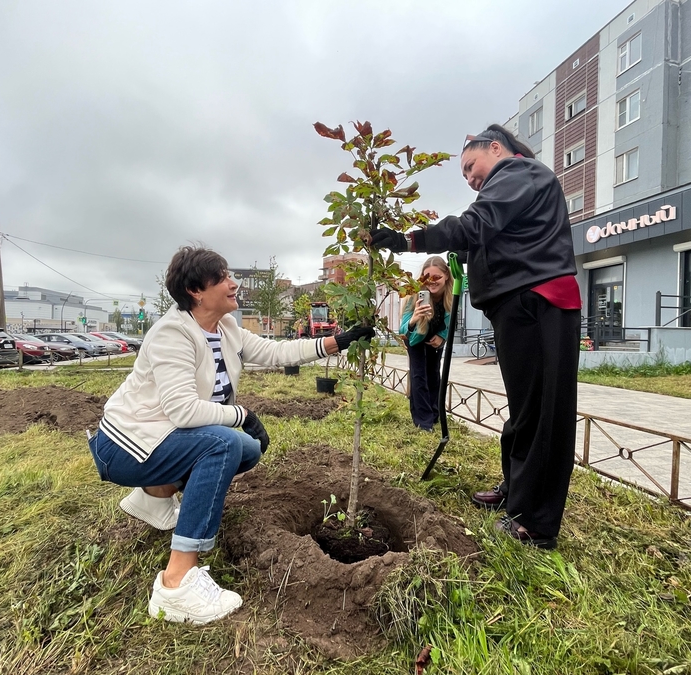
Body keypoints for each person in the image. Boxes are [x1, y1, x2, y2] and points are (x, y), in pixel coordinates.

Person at [87, 245, 373, 624]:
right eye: (222, 277)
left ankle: (155, 498)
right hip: (123, 446)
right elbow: (183, 410)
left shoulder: (225, 328)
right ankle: (176, 584)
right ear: (196, 291)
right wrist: (242, 413)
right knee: (223, 443)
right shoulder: (172, 334)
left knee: (246, 449)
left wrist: (339, 340)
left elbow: (276, 353)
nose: (233, 283)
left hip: (157, 441)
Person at [369, 124, 581, 550]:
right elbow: (492, 235)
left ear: (496, 148)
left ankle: (533, 524)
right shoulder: (510, 186)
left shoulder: (521, 174)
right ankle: (516, 490)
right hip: (518, 307)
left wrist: (409, 239)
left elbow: (476, 224)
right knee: (525, 409)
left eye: (471, 165)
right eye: (464, 175)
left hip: (538, 304)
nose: (469, 177)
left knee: (543, 414)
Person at [400, 256, 452, 431]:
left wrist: (442, 337)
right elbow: (403, 329)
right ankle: (423, 421)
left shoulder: (451, 295)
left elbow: (452, 320)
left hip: (434, 339)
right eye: (427, 277)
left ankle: (434, 414)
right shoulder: (415, 294)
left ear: (446, 276)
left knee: (434, 375)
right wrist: (414, 318)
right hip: (414, 337)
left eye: (436, 277)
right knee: (419, 376)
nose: (432, 282)